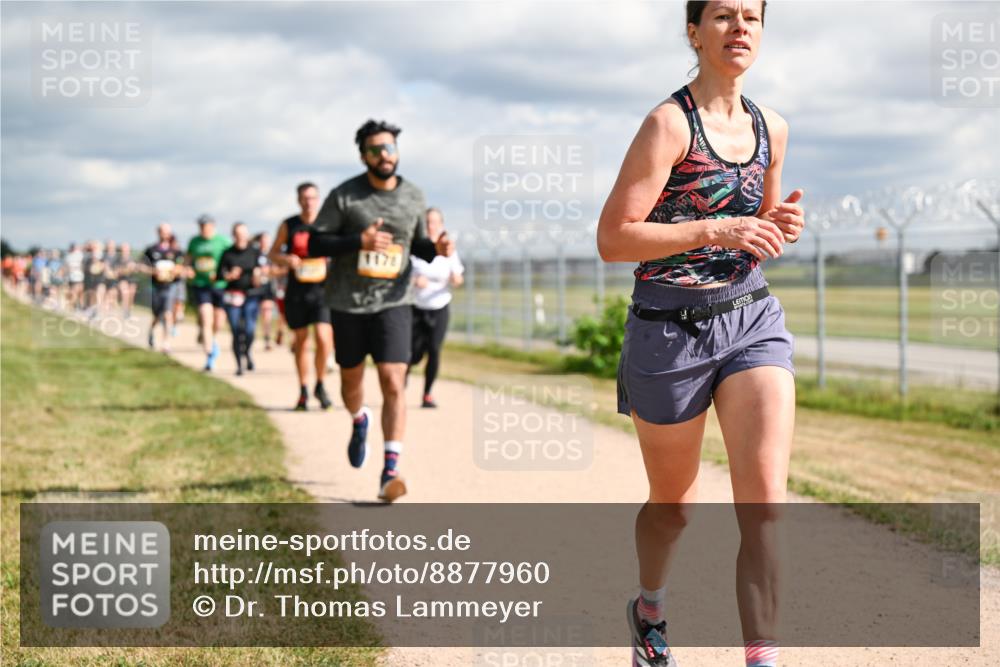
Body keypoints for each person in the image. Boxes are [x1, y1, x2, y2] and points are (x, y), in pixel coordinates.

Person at [596, 3, 805, 666]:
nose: (740, 27)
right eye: (722, 15)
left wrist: (778, 226)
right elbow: (614, 239)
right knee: (675, 505)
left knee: (765, 503)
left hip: (750, 317)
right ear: (694, 32)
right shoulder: (668, 124)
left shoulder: (772, 127)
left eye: (752, 17)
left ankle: (761, 657)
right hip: (669, 330)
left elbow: (759, 224)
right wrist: (716, 228)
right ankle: (650, 608)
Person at [304, 119, 454, 502]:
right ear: (363, 156)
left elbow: (415, 244)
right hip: (348, 304)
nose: (385, 155)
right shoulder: (345, 196)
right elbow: (315, 243)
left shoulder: (413, 195)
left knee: (393, 380)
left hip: (395, 300)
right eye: (376, 150)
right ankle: (359, 419)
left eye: (389, 148)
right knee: (351, 384)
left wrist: (435, 249)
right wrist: (360, 240)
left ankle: (390, 471)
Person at [268, 182, 335, 410]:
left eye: (313, 198)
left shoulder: (328, 223)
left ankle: (321, 384)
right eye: (305, 198)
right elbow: (272, 253)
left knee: (324, 338)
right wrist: (287, 259)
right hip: (297, 291)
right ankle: (304, 389)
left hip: (323, 290)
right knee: (301, 341)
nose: (309, 202)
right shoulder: (289, 225)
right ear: (298, 200)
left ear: (319, 200)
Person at [407, 207, 464, 408]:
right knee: (413, 354)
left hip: (440, 306)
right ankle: (401, 380)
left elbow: (458, 276)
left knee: (434, 349)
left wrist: (455, 279)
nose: (431, 225)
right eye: (428, 222)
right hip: (416, 306)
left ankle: (427, 394)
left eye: (435, 222)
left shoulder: (448, 249)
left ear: (441, 224)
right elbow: (402, 275)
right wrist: (415, 280)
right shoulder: (415, 248)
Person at [185, 214, 231, 371]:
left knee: (218, 322)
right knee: (206, 317)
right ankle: (210, 356)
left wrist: (225, 273)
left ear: (212, 226)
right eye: (200, 226)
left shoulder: (223, 241)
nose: (203, 229)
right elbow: (188, 259)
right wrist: (188, 269)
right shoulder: (194, 241)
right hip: (201, 284)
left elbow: (232, 259)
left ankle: (211, 338)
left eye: (205, 226)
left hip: (220, 285)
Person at [219, 222, 263, 375]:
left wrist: (258, 275)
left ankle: (247, 351)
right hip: (232, 295)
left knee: (250, 330)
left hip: (251, 295)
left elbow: (262, 270)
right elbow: (219, 274)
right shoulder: (227, 253)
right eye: (237, 234)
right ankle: (239, 365)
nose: (240, 237)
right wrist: (228, 275)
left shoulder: (255, 252)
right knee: (236, 330)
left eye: (243, 234)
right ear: (233, 235)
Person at [141, 224, 182, 352]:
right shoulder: (150, 250)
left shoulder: (176, 251)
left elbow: (182, 266)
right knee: (157, 315)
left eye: (167, 232)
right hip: (155, 287)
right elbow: (141, 266)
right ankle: (151, 332)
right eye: (162, 231)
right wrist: (153, 271)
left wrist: (175, 271)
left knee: (168, 314)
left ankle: (166, 343)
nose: (164, 234)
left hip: (170, 287)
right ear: (158, 232)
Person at [253, 232, 280, 352]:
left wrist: (271, 271)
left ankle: (267, 338)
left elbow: (281, 270)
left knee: (267, 312)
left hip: (268, 288)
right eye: (263, 239)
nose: (265, 242)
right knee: (253, 314)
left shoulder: (273, 255)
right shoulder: (254, 254)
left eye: (267, 239)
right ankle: (250, 335)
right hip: (254, 288)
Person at [168, 234, 187, 337]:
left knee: (179, 303)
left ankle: (175, 324)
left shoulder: (180, 253)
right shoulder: (167, 254)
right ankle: (170, 324)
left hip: (179, 282)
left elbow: (183, 266)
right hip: (169, 283)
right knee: (170, 306)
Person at [65, 242, 85, 311]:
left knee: (80, 292)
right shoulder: (68, 256)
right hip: (73, 277)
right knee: (74, 292)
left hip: (79, 277)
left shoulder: (79, 254)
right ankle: (74, 307)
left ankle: (78, 306)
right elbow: (67, 267)